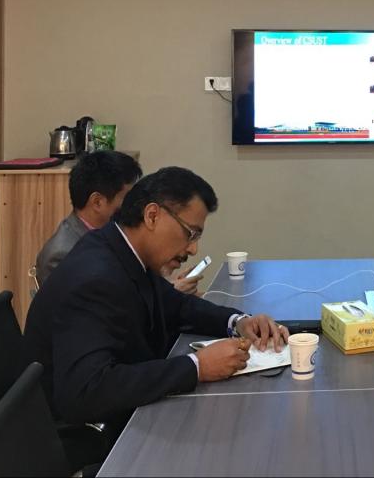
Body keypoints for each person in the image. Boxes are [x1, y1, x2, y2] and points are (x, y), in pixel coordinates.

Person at [24, 166, 288, 464]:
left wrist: (238, 322)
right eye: (190, 233)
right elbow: (85, 391)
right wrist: (197, 366)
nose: (193, 248)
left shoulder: (122, 250)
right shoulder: (95, 277)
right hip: (87, 437)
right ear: (152, 216)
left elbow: (177, 305)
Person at [35, 150, 203, 294]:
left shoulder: (116, 234)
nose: (137, 204)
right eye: (128, 198)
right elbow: (104, 307)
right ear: (97, 202)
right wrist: (171, 293)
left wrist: (168, 288)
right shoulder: (62, 253)